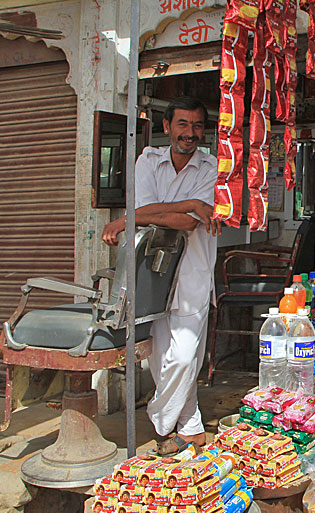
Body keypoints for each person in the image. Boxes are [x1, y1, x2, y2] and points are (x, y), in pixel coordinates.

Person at [102, 97, 220, 454]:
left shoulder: (212, 167)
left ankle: (160, 416)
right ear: (167, 126)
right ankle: (190, 428)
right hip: (149, 269)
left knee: (185, 357)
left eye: (197, 126)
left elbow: (185, 224)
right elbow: (145, 211)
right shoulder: (148, 160)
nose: (190, 133)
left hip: (192, 272)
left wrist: (135, 219)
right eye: (182, 124)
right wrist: (190, 204)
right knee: (160, 355)